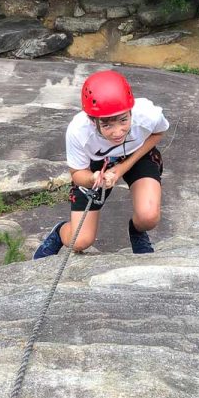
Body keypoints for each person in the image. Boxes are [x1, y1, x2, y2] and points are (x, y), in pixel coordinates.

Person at [33, 69, 169, 259]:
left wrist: (121, 168)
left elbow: (158, 133)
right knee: (79, 241)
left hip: (138, 155)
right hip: (96, 165)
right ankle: (59, 232)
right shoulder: (79, 131)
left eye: (124, 120)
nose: (118, 132)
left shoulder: (147, 114)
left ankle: (137, 231)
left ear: (131, 111)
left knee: (148, 217)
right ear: (92, 120)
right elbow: (77, 173)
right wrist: (93, 178)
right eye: (107, 125)